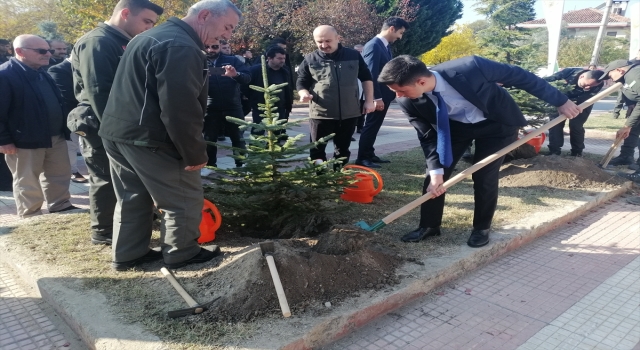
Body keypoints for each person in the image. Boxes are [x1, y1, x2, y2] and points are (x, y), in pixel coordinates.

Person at [377, 55, 581, 247]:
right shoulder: (408, 102)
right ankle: (429, 225)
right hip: (455, 129)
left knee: (484, 175)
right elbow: (428, 137)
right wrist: (436, 172)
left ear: (421, 81)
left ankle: (481, 228)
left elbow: (520, 76)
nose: (398, 96)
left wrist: (560, 101)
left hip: (497, 124)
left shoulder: (471, 67)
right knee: (433, 176)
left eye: (401, 90)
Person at [99, 0, 241, 271]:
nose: (227, 35)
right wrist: (194, 153)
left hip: (120, 132)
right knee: (183, 198)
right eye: (227, 27)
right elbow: (180, 108)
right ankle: (182, 252)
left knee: (132, 196)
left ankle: (130, 253)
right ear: (205, 15)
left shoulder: (152, 36)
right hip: (152, 138)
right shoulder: (181, 46)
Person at [71, 0, 163, 246]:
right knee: (106, 179)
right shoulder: (98, 42)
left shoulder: (121, 41)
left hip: (122, 126)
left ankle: (125, 225)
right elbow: (99, 92)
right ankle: (104, 232)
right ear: (124, 13)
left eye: (152, 23)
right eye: (146, 21)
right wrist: (115, 134)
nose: (149, 28)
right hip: (104, 128)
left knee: (124, 180)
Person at [0, 35, 78, 218]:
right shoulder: (4, 75)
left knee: (59, 173)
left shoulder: (42, 71)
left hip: (54, 135)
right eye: (41, 51)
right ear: (19, 51)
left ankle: (60, 205)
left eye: (49, 50)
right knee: (27, 179)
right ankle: (31, 214)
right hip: (23, 140)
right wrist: (3, 140)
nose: (48, 54)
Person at [297, 25, 375, 166]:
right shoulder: (310, 59)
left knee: (343, 149)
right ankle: (320, 176)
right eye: (319, 42)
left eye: (328, 41)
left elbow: (366, 78)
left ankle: (339, 176)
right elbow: (301, 81)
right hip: (321, 114)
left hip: (349, 112)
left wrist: (369, 101)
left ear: (338, 38)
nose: (324, 45)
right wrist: (303, 93)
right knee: (317, 149)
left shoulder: (354, 56)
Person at [356, 17, 409, 169]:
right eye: (400, 32)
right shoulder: (374, 45)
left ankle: (369, 153)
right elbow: (370, 74)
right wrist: (375, 98)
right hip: (377, 97)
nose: (400, 37)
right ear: (392, 28)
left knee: (375, 125)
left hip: (384, 96)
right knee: (371, 126)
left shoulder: (385, 46)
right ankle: (362, 158)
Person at [203, 39, 249, 171]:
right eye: (207, 46)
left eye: (215, 46)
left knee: (238, 137)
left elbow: (247, 77)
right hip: (210, 106)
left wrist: (236, 75)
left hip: (233, 105)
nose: (211, 49)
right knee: (209, 139)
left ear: (220, 47)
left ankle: (241, 165)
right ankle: (210, 167)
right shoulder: (198, 61)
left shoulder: (233, 60)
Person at [599, 60, 640, 205]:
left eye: (610, 75)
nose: (609, 78)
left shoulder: (635, 73)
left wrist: (627, 125)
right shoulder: (627, 76)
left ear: (620, 70)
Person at [544, 68, 604, 156]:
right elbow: (548, 81)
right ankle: (554, 151)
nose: (588, 88)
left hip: (582, 104)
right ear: (582, 76)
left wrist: (571, 103)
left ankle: (577, 152)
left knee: (576, 126)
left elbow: (586, 98)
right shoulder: (568, 73)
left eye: (591, 86)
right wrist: (560, 101)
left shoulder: (599, 82)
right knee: (555, 125)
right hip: (559, 101)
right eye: (586, 84)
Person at [48, 56, 88, 183]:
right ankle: (73, 171)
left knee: (84, 145)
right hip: (71, 116)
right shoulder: (57, 70)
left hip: (86, 115)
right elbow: (67, 95)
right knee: (71, 145)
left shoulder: (85, 67)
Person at [245, 46, 293, 136]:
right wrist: (253, 99)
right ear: (270, 58)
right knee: (258, 131)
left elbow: (288, 88)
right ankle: (255, 148)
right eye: (279, 58)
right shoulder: (256, 70)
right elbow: (245, 86)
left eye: (283, 58)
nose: (282, 60)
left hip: (280, 107)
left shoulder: (285, 71)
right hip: (261, 107)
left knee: (276, 133)